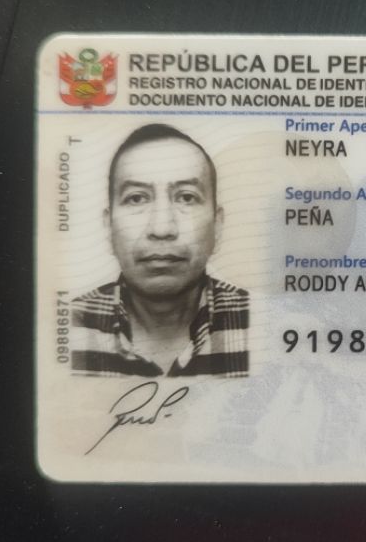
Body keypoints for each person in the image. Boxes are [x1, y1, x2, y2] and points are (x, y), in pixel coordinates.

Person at [70, 124, 249, 377]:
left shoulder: (261, 323)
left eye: (186, 197)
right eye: (136, 198)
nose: (162, 228)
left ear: (217, 226)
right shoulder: (68, 327)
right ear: (109, 228)